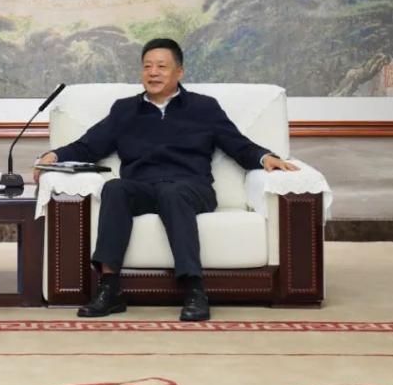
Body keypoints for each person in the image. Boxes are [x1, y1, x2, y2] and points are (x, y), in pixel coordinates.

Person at [34, 38, 298, 321]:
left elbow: (237, 144)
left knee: (174, 193)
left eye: (161, 66)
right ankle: (109, 289)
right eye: (147, 66)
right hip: (143, 186)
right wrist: (55, 155)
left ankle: (194, 290)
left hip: (191, 187)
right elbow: (89, 146)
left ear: (179, 72)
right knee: (114, 188)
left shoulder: (204, 107)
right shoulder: (125, 110)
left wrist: (265, 157)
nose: (153, 73)